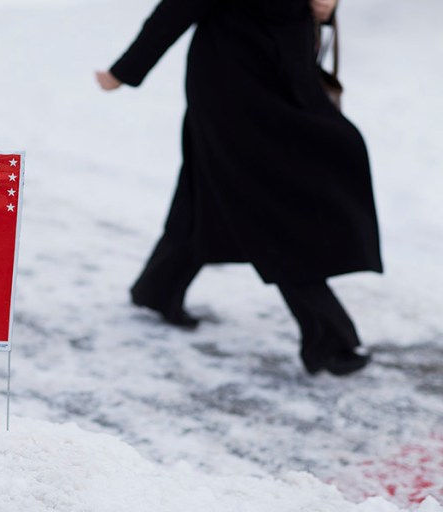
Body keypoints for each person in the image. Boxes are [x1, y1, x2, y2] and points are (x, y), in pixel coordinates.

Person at [96, 0, 382, 376]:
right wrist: (125, 71)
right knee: (271, 204)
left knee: (209, 187)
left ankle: (158, 289)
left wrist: (327, 7)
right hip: (234, 91)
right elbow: (177, 9)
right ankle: (329, 340)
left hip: (289, 87)